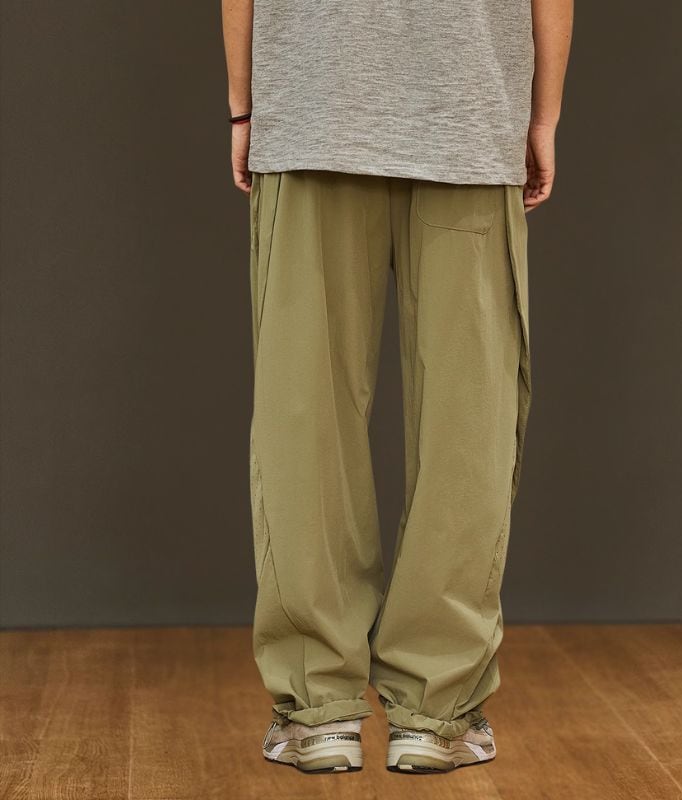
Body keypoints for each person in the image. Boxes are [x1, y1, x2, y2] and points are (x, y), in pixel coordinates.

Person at [221, 0, 572, 775]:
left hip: (312, 105)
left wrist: (244, 105)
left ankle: (316, 707)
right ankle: (436, 712)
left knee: (302, 415)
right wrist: (541, 112)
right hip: (469, 101)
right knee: (468, 421)